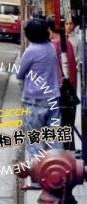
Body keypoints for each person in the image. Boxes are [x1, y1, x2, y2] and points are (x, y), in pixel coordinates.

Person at [17, 19, 62, 161]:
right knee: (54, 138)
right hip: (53, 98)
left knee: (35, 140)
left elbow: (20, 74)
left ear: (29, 35)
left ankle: (38, 176)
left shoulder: (30, 51)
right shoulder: (51, 47)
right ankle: (58, 170)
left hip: (34, 100)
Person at [47, 17, 78, 151]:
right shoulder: (67, 43)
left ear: (49, 30)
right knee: (67, 127)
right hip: (70, 90)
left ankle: (61, 157)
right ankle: (68, 152)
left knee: (57, 127)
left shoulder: (54, 45)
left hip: (59, 91)